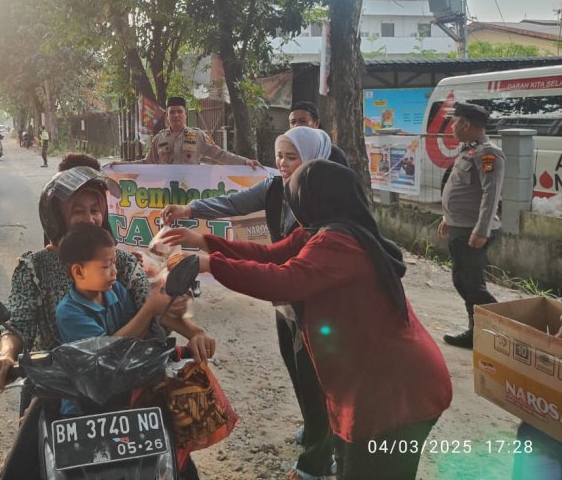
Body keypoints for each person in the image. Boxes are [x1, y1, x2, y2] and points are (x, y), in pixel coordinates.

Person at [162, 160, 452, 480]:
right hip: (378, 384)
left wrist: (208, 264)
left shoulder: (338, 243)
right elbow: (271, 256)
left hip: (396, 391)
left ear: (314, 199)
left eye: (295, 196)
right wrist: (203, 244)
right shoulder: (321, 232)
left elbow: (283, 279)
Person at [0, 165, 215, 479]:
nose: (90, 218)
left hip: (128, 384)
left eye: (95, 209)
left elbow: (155, 306)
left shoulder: (120, 261)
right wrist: (5, 355)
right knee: (21, 469)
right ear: (55, 217)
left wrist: (195, 331)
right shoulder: (34, 267)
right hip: (58, 391)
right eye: (78, 211)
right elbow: (19, 322)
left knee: (178, 466)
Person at [163, 126, 338, 480]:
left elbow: (282, 267)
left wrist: (209, 260)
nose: (283, 164)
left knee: (317, 376)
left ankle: (321, 457)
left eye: (292, 157)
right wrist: (196, 222)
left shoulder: (324, 207)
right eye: (279, 156)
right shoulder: (277, 188)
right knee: (297, 366)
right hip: (287, 294)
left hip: (315, 301)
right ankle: (314, 429)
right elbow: (262, 241)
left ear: (314, 158)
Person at [56, 223, 173, 415]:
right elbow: (108, 353)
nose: (114, 271)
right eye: (105, 266)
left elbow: (135, 332)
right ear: (78, 272)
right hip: (84, 405)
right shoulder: (68, 312)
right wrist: (149, 309)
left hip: (121, 392)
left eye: (114, 263)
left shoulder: (116, 289)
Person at [438, 101, 505, 349]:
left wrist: (481, 230)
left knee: (472, 284)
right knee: (462, 280)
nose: (452, 127)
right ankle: (476, 330)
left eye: (455, 122)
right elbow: (463, 190)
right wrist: (447, 218)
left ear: (466, 124)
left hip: (472, 231)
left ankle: (505, 327)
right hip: (460, 227)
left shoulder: (488, 154)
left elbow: (491, 194)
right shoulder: (469, 151)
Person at [142, 96, 260, 167]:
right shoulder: (159, 139)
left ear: (185, 114)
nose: (176, 115)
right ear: (167, 116)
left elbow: (220, 154)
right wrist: (128, 166)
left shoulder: (198, 136)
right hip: (167, 191)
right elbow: (147, 162)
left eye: (179, 111)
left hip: (191, 189)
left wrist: (245, 162)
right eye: (172, 112)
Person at [287, 101, 349, 167]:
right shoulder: (285, 151)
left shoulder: (333, 153)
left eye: (302, 121)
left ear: (316, 123)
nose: (297, 126)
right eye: (293, 122)